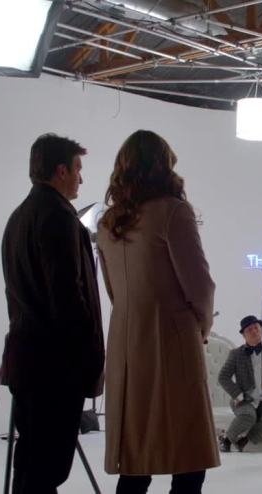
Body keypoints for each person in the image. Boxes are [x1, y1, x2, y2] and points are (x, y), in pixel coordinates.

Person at [97, 130, 218, 494]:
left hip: (125, 344)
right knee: (189, 458)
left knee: (136, 460)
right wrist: (201, 328)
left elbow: (113, 290)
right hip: (172, 341)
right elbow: (200, 286)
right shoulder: (173, 211)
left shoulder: (108, 222)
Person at [1, 133, 105, 493]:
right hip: (55, 368)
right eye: (77, 169)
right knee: (47, 467)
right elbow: (68, 297)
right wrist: (86, 359)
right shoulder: (58, 218)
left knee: (32, 463)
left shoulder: (19, 217)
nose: (81, 178)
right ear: (61, 171)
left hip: (28, 361)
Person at [218, 315, 262, 452]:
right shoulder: (236, 354)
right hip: (244, 399)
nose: (254, 331)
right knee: (248, 416)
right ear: (244, 335)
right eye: (249, 330)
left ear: (261, 330)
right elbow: (223, 377)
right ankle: (226, 439)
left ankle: (244, 440)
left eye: (256, 328)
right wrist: (238, 395)